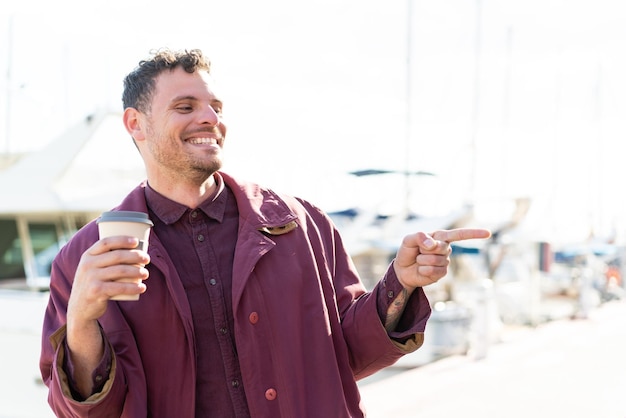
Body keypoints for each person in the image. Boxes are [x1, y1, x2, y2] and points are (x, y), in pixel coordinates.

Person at [39, 48, 491, 418]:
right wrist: (80, 320)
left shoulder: (302, 224)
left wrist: (403, 282)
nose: (209, 118)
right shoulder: (85, 257)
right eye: (185, 107)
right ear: (135, 124)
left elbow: (349, 353)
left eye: (215, 107)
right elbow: (84, 409)